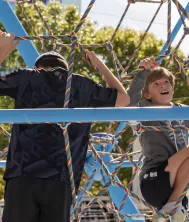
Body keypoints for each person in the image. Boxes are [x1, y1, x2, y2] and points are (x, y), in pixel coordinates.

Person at [0, 30, 130, 222]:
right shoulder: (81, 84)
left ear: (37, 68)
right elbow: (124, 99)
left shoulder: (27, 78)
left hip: (23, 174)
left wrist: (4, 49)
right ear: (66, 70)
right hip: (61, 177)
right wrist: (98, 63)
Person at [127, 57, 189, 221]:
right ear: (147, 94)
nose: (163, 86)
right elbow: (128, 103)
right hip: (155, 178)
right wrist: (143, 71)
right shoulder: (144, 110)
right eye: (156, 84)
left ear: (172, 88)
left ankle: (172, 206)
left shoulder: (181, 111)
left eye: (166, 82)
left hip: (177, 187)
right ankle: (172, 204)